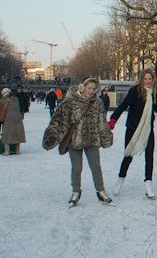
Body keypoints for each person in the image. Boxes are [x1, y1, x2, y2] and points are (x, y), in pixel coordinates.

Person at [42, 78, 114, 206]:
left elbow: (101, 121)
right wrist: (52, 136)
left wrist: (105, 135)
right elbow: (59, 120)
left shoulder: (97, 103)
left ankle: (101, 191)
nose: (91, 91)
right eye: (89, 88)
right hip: (75, 140)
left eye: (93, 89)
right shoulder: (70, 101)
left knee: (96, 167)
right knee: (76, 168)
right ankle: (75, 192)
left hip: (92, 139)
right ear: (83, 87)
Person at [108, 69, 157, 199]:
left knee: (149, 156)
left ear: (153, 80)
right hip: (133, 128)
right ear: (141, 79)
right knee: (128, 155)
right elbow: (124, 105)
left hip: (147, 129)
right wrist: (113, 119)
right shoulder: (135, 91)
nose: (148, 81)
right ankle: (120, 180)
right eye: (145, 79)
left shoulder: (153, 91)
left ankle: (148, 185)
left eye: (150, 79)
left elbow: (156, 106)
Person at [0, 87, 26, 155]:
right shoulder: (16, 99)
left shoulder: (3, 99)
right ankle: (17, 150)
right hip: (18, 118)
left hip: (8, 118)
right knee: (17, 134)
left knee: (7, 134)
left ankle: (7, 151)